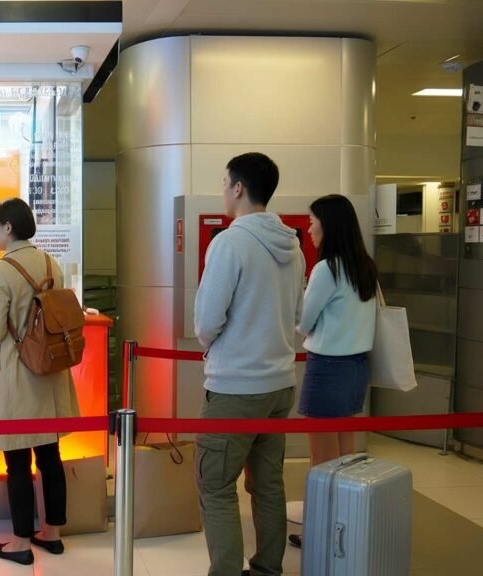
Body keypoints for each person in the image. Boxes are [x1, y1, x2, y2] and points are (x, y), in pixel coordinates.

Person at [194, 153, 305, 576]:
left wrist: (216, 341)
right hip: (279, 383)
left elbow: (206, 322)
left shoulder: (230, 242)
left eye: (224, 182)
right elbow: (298, 312)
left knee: (216, 485)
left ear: (238, 187)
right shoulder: (292, 245)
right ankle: (267, 569)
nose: (223, 189)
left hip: (235, 388)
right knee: (268, 484)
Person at [0, 197, 78, 566]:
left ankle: (19, 543)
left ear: (8, 228)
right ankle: (53, 534)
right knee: (50, 456)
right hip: (49, 371)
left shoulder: (1, 270)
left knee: (17, 461)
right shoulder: (51, 263)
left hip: (16, 373)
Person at [288, 194, 378, 550]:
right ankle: (346, 528)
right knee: (346, 457)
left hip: (327, 367)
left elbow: (304, 322)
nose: (308, 229)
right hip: (356, 366)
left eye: (312, 222)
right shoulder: (364, 266)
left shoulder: (327, 269)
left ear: (329, 224)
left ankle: (320, 535)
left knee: (322, 459)